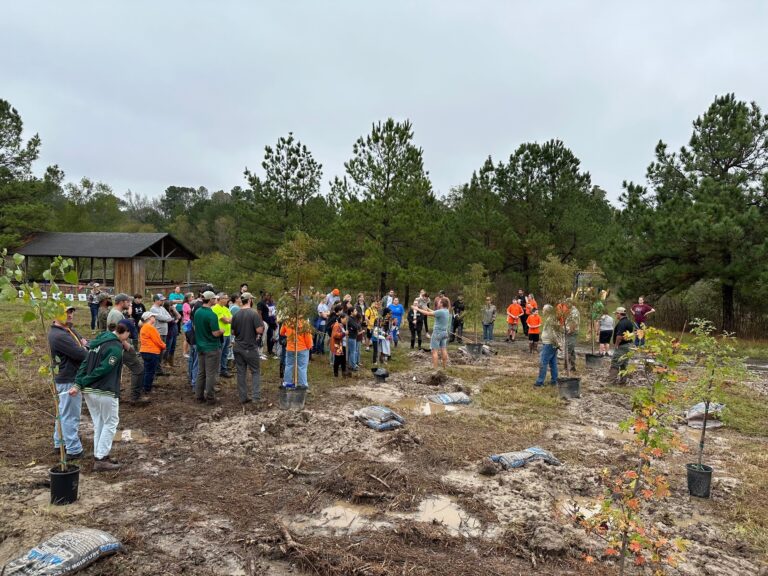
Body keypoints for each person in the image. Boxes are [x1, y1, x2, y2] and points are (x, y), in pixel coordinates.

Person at [69, 323, 132, 471]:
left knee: (99, 423)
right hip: (105, 390)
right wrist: (83, 381)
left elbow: (85, 363)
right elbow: (104, 369)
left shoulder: (98, 343)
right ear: (125, 332)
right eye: (129, 334)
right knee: (111, 422)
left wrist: (79, 383)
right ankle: (102, 458)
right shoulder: (115, 347)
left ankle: (100, 454)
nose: (128, 338)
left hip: (89, 391)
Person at [48, 305, 88, 458]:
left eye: (71, 311)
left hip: (68, 376)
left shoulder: (68, 330)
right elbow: (81, 354)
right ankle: (73, 450)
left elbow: (85, 343)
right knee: (70, 415)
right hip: (68, 379)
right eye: (66, 312)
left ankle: (60, 443)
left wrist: (85, 346)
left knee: (63, 412)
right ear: (55, 315)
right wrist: (84, 348)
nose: (70, 315)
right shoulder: (60, 336)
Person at [231, 292, 265, 403]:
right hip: (250, 347)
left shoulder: (236, 314)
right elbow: (259, 330)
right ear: (250, 300)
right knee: (255, 371)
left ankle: (242, 397)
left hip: (238, 347)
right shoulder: (254, 314)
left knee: (241, 372)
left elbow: (233, 331)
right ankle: (256, 397)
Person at [194, 291, 224, 404]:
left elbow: (195, 327)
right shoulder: (211, 315)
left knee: (201, 372)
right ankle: (210, 398)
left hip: (200, 346)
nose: (216, 300)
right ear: (211, 300)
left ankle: (199, 396)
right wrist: (222, 330)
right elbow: (215, 333)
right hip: (211, 347)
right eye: (214, 299)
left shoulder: (198, 312)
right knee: (211, 374)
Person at [417, 296, 450, 370]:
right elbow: (434, 313)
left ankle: (435, 369)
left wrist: (417, 309)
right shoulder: (446, 311)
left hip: (437, 333)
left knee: (434, 351)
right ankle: (444, 367)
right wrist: (428, 309)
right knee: (443, 349)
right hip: (444, 333)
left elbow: (427, 314)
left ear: (441, 303)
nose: (438, 302)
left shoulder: (440, 311)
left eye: (439, 301)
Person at [139, 311, 165, 396]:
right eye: (153, 316)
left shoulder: (143, 327)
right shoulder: (150, 328)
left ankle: (144, 386)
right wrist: (164, 346)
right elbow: (157, 340)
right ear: (149, 318)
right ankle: (147, 388)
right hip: (152, 352)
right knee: (150, 371)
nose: (155, 318)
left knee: (147, 370)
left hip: (145, 351)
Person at [282, 319, 313, 387]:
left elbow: (281, 332)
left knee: (289, 365)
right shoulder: (304, 323)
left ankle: (287, 383)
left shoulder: (287, 321)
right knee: (302, 367)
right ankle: (303, 384)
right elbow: (308, 337)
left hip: (290, 348)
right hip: (302, 348)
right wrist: (309, 347)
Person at [535, 305, 559, 387]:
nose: (542, 311)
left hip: (549, 344)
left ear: (548, 311)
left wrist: (557, 344)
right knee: (553, 363)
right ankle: (554, 380)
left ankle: (540, 382)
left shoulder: (551, 320)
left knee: (543, 362)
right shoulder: (551, 318)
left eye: (543, 309)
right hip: (551, 344)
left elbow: (553, 334)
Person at [609, 307, 634, 384]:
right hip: (628, 345)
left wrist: (616, 345)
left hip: (622, 346)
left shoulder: (621, 323)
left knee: (615, 363)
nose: (616, 315)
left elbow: (619, 336)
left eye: (616, 313)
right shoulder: (629, 322)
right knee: (624, 364)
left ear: (619, 314)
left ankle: (612, 381)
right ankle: (623, 381)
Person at [149, 294, 173, 374]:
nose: (163, 301)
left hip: (164, 332)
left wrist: (167, 318)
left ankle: (158, 368)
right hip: (158, 332)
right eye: (161, 300)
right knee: (158, 350)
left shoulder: (162, 308)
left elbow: (169, 316)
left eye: (163, 300)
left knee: (162, 350)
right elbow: (162, 318)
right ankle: (157, 369)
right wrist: (167, 318)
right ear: (156, 300)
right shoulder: (153, 309)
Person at [212, 292, 233, 377]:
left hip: (227, 334)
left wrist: (228, 319)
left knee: (225, 353)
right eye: (225, 298)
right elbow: (226, 320)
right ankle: (217, 370)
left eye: (227, 298)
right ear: (219, 299)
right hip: (221, 334)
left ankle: (223, 370)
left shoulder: (226, 308)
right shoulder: (215, 308)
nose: (227, 300)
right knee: (219, 353)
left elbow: (232, 318)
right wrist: (228, 319)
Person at [564, 299, 580, 372]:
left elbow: (574, 323)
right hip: (570, 332)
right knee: (571, 349)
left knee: (568, 349)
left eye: (566, 303)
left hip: (571, 333)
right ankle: (573, 366)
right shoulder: (570, 310)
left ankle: (566, 366)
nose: (565, 305)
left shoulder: (574, 312)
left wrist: (569, 331)